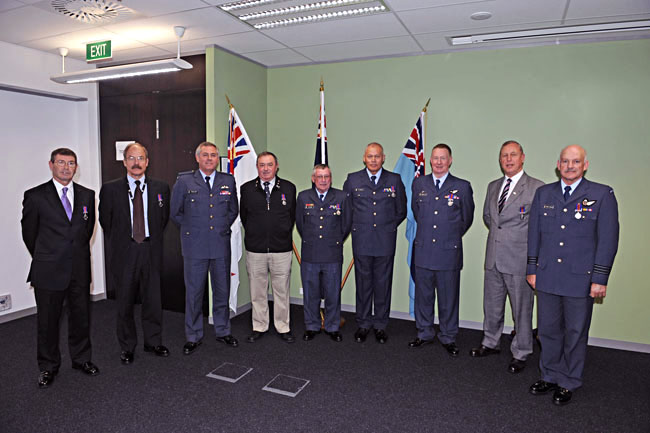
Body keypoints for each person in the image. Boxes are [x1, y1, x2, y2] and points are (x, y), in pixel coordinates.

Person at [527, 145, 619, 405]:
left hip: (581, 278)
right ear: (558, 164)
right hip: (547, 276)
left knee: (575, 332)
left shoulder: (601, 194)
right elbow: (534, 234)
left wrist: (600, 277)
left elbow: (608, 240)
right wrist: (532, 269)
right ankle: (550, 374)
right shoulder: (544, 193)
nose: (570, 166)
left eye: (575, 162)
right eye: (565, 161)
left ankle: (569, 380)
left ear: (585, 164)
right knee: (547, 330)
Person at [21, 148, 99, 388]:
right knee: (47, 322)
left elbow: (87, 231)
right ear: (51, 165)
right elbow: (29, 234)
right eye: (61, 163)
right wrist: (47, 256)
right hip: (48, 270)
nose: (66, 167)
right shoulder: (35, 196)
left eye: (71, 163)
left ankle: (81, 359)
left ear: (76, 167)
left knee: (81, 318)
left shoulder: (87, 195)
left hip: (79, 269)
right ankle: (48, 366)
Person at [469, 141, 544, 373]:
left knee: (522, 309)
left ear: (523, 157)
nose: (508, 159)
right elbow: (488, 218)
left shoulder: (536, 188)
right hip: (493, 256)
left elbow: (539, 226)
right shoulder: (493, 186)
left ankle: (521, 351)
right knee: (491, 305)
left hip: (519, 259)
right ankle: (490, 342)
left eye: (513, 155)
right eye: (504, 156)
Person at [99, 142, 170, 365]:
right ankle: (127, 346)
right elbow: (105, 222)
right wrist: (125, 241)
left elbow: (163, 219)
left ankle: (153, 341)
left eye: (140, 158)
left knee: (152, 299)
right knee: (125, 302)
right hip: (125, 252)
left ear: (147, 162)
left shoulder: (161, 188)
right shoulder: (110, 189)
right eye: (131, 158)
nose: (136, 163)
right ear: (124, 162)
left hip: (151, 250)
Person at [170, 142, 239, 355]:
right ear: (197, 158)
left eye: (213, 156)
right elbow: (175, 213)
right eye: (205, 155)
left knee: (221, 291)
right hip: (195, 247)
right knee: (194, 293)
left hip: (219, 244)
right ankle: (193, 335)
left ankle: (222, 330)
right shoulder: (184, 181)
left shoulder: (228, 180)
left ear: (218, 159)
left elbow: (232, 210)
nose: (209, 159)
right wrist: (194, 229)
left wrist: (218, 228)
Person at [408, 143, 474, 357]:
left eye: (443, 158)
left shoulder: (462, 186)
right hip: (424, 251)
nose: (438, 162)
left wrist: (448, 236)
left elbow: (466, 218)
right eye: (435, 158)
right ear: (430, 160)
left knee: (448, 299)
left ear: (450, 160)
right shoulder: (419, 184)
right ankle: (424, 332)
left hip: (448, 253)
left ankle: (448, 336)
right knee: (423, 297)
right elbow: (418, 213)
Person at [343, 142, 406, 344]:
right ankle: (363, 324)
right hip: (362, 241)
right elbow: (347, 210)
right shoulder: (353, 180)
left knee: (383, 284)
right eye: (370, 156)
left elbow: (401, 210)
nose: (373, 160)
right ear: (364, 158)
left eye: (377, 156)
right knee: (363, 285)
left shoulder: (394, 180)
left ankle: (380, 325)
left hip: (385, 241)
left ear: (383, 158)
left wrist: (385, 227)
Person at [240, 152, 297, 343]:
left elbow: (291, 217)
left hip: (281, 249)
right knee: (257, 291)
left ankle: (283, 326)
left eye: (269, 165)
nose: (265, 169)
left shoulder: (289, 188)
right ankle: (259, 325)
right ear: (257, 167)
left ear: (276, 166)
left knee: (282, 290)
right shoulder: (247, 189)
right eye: (261, 165)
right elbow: (244, 217)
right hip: (255, 249)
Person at [296, 164, 351, 342]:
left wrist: (333, 241)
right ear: (313, 179)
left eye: (326, 176)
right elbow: (300, 224)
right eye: (319, 177)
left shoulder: (341, 197)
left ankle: (332, 326)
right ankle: (311, 325)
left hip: (332, 253)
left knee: (333, 292)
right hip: (310, 252)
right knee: (310, 292)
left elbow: (346, 224)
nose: (323, 180)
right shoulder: (304, 197)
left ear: (331, 178)